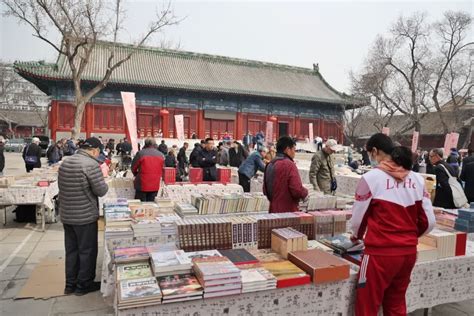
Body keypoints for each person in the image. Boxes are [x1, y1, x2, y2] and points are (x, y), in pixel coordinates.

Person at [351, 133, 435, 316]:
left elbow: (358, 219)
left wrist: (356, 235)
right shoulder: (417, 179)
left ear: (374, 151)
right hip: (408, 252)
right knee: (396, 303)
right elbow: (429, 222)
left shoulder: (371, 178)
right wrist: (409, 236)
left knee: (367, 305)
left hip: (379, 254)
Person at [58, 137, 109, 296]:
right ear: (94, 151)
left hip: (67, 214)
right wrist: (105, 181)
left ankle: (70, 284)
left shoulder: (66, 162)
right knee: (87, 251)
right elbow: (101, 190)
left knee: (71, 250)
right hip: (84, 215)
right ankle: (83, 285)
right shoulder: (91, 165)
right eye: (98, 152)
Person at [263, 136, 308, 213]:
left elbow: (265, 190)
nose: (295, 152)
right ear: (288, 150)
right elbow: (297, 190)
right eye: (294, 149)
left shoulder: (270, 164)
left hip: (273, 210)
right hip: (288, 211)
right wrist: (305, 192)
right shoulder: (289, 165)